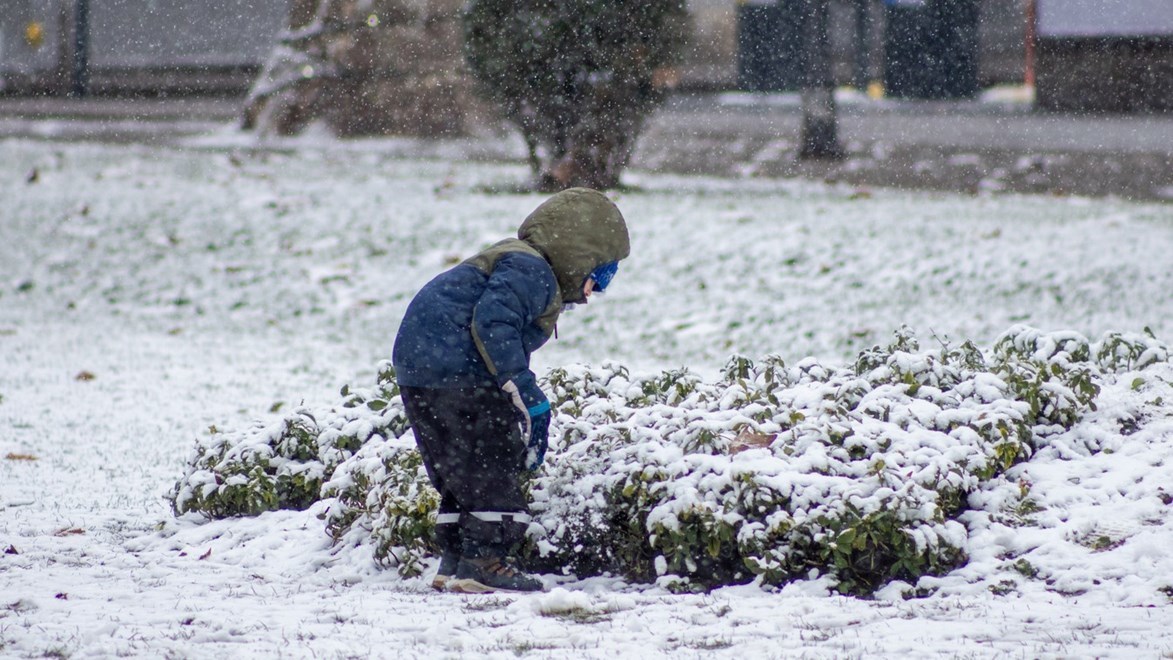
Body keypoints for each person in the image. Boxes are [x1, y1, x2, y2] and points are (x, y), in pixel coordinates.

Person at [392, 187, 630, 593]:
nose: (594, 294)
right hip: (461, 372)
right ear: (578, 256)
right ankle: (484, 560)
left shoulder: (516, 261)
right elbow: (494, 324)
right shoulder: (531, 270)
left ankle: (456, 558)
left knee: (459, 468)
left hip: (421, 371)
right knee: (494, 459)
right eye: (598, 278)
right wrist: (524, 391)